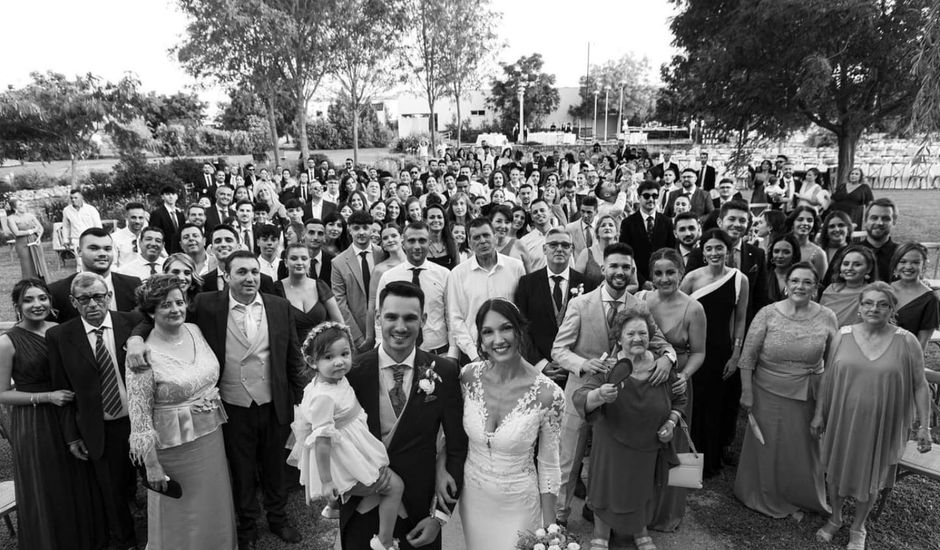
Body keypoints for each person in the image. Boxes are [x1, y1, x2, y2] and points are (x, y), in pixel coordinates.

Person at [126, 250, 309, 549]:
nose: (250, 278)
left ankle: (279, 518)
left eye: (254, 271)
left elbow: (291, 359)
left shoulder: (279, 306)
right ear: (226, 275)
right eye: (241, 272)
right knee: (241, 469)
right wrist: (135, 338)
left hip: (274, 402)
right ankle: (246, 525)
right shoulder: (207, 305)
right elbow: (159, 313)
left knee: (275, 466)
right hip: (232, 407)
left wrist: (300, 402)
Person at [552, 243, 677, 526]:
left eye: (625, 267)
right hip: (583, 392)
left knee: (607, 460)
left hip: (623, 401)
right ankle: (558, 518)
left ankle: (599, 514)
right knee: (569, 459)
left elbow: (659, 342)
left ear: (632, 270)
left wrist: (668, 358)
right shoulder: (580, 304)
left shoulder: (639, 306)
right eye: (614, 266)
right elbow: (559, 349)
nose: (620, 272)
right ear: (604, 268)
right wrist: (583, 364)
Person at [341, 282, 468, 550]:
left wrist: (440, 516)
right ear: (377, 317)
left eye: (410, 318)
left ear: (422, 320)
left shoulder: (443, 372)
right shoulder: (351, 372)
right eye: (391, 317)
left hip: (420, 513)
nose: (400, 327)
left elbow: (457, 446)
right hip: (362, 507)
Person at [812, 282, 932, 550]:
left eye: (882, 304)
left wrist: (925, 427)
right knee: (836, 469)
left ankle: (858, 526)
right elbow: (827, 376)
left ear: (892, 309)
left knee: (873, 473)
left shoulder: (907, 340)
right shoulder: (842, 335)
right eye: (867, 303)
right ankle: (836, 518)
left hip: (885, 422)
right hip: (842, 417)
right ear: (859, 306)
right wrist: (819, 413)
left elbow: (920, 384)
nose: (873, 308)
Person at [444, 298, 565, 549]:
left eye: (506, 328)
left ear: (520, 330)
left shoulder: (548, 395)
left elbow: (549, 466)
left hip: (519, 503)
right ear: (481, 340)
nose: (498, 339)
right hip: (474, 500)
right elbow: (451, 435)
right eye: (488, 332)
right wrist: (439, 469)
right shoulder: (468, 377)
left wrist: (550, 532)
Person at [126, 275, 237, 549]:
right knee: (180, 511)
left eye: (179, 302)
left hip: (211, 437)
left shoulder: (195, 331)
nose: (175, 309)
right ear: (151, 310)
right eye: (165, 305)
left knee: (213, 501)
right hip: (173, 450)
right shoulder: (141, 355)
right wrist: (152, 465)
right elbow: (139, 420)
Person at [0, 279, 106, 550]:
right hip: (35, 422)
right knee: (48, 485)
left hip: (68, 415)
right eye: (28, 300)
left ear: (51, 301)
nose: (37, 305)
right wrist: (47, 397)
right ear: (17, 306)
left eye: (42, 298)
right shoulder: (7, 342)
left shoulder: (60, 330)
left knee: (77, 479)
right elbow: (1, 394)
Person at [573, 304, 687, 550]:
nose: (637, 338)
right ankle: (601, 536)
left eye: (643, 333)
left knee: (641, 488)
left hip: (647, 444)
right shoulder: (608, 366)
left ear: (650, 336)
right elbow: (580, 397)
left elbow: (680, 400)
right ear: (619, 337)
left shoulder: (662, 366)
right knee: (606, 488)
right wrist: (600, 395)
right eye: (630, 334)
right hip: (611, 444)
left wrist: (671, 421)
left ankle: (640, 532)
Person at [47, 272, 143, 550]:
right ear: (73, 302)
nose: (93, 304)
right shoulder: (60, 336)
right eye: (84, 299)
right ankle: (127, 541)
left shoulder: (134, 323)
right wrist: (71, 436)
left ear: (109, 297)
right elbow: (62, 389)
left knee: (154, 480)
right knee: (112, 493)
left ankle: (165, 533)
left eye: (98, 297)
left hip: (140, 421)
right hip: (100, 427)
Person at [289, 322, 405, 550]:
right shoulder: (324, 396)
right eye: (329, 357)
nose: (339, 361)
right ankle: (384, 541)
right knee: (395, 487)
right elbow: (321, 442)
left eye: (344, 353)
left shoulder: (332, 380)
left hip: (351, 445)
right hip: (344, 456)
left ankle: (334, 504)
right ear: (313, 362)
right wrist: (327, 481)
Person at [735, 262, 836, 519]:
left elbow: (831, 366)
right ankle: (766, 494)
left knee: (801, 449)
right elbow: (748, 357)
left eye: (807, 282)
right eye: (795, 281)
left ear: (815, 287)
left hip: (806, 394)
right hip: (765, 391)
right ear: (786, 284)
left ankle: (798, 495)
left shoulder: (827, 316)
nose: (800, 286)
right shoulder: (767, 313)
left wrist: (821, 409)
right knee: (767, 446)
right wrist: (747, 391)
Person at [638, 248, 706, 531]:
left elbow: (700, 352)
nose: (664, 278)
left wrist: (684, 376)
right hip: (645, 380)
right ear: (651, 276)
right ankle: (641, 507)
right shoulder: (643, 301)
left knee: (674, 446)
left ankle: (668, 512)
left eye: (670, 272)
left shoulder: (694, 308)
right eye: (658, 273)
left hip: (676, 383)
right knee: (645, 444)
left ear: (681, 273)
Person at [680, 229, 749, 477]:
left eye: (719, 247)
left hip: (722, 353)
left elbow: (740, 319)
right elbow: (678, 311)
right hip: (693, 352)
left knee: (714, 409)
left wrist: (736, 353)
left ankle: (709, 465)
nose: (714, 253)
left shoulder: (740, 279)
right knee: (692, 408)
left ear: (728, 250)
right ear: (703, 251)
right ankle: (686, 469)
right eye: (708, 248)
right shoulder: (691, 279)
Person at [514, 229, 588, 389]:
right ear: (544, 249)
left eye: (565, 245)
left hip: (576, 373)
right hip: (538, 372)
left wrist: (572, 363)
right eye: (553, 244)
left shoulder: (586, 284)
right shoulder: (527, 284)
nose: (559, 249)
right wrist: (541, 364)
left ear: (572, 250)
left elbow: (589, 331)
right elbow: (521, 328)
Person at [446, 218, 526, 364]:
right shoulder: (458, 274)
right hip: (474, 355)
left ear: (495, 237)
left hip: (512, 351)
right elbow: (455, 318)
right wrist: (474, 355)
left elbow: (523, 311)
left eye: (486, 235)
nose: (482, 241)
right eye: (476, 237)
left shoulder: (516, 267)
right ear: (469, 243)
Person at [374, 222, 453, 356]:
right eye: (411, 241)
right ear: (403, 243)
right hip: (399, 352)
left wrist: (452, 354)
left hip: (438, 351)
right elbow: (380, 318)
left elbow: (451, 316)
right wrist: (381, 349)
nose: (417, 246)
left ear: (429, 243)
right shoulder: (389, 277)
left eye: (422, 241)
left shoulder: (444, 275)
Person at [48, 227, 142, 321]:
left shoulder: (133, 285)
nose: (102, 253)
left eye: (107, 249)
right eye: (94, 248)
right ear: (79, 251)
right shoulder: (57, 292)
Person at [332, 211, 381, 353]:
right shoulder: (338, 262)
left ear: (372, 229)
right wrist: (357, 337)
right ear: (349, 229)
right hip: (357, 332)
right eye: (356, 228)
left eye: (365, 228)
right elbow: (339, 301)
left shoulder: (383, 254)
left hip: (384, 327)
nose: (361, 232)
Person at [275, 243, 343, 342]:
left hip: (321, 351)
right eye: (294, 258)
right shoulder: (276, 289)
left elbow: (339, 323)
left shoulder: (320, 286)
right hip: (290, 352)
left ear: (309, 262)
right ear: (285, 262)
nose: (299, 262)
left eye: (304, 258)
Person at [620, 181, 676, 286]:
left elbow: (671, 251)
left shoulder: (667, 221)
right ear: (638, 197)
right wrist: (642, 282)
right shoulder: (627, 223)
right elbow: (626, 255)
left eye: (654, 196)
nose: (651, 199)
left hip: (663, 279)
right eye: (646, 196)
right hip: (637, 281)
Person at [889, 242, 940, 353]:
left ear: (924, 266)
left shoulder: (930, 300)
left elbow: (921, 344)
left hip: (904, 358)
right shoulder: (886, 289)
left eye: (915, 262)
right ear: (895, 264)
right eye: (903, 261)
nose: (908, 267)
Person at [820, 244, 878, 327]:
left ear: (869, 268)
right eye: (846, 264)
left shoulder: (873, 294)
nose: (849, 268)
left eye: (857, 264)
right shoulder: (830, 290)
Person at [6, 199, 49, 280]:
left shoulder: (30, 215)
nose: (24, 205)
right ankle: (30, 285)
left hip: (35, 242)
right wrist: (32, 231)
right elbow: (17, 233)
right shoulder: (10, 219)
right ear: (15, 208)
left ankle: (44, 283)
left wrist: (39, 238)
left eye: (23, 204)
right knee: (27, 266)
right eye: (20, 205)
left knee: (40, 263)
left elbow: (40, 228)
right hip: (23, 244)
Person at [859, 198, 899, 283]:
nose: (879, 223)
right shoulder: (847, 252)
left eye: (885, 219)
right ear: (865, 221)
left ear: (894, 222)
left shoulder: (902, 255)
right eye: (874, 218)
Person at [786, 206, 828, 279]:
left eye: (809, 220)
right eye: (800, 219)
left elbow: (821, 283)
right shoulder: (780, 246)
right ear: (792, 223)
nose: (805, 223)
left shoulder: (818, 254)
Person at [765, 233, 802, 303]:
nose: (780, 256)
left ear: (794, 254)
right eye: (776, 251)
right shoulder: (763, 276)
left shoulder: (801, 278)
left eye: (786, 252)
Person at [150, 185, 186, 254]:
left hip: (180, 251)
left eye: (173, 194)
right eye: (167, 194)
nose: (171, 196)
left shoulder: (180, 214)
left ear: (176, 196)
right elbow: (154, 233)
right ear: (162, 197)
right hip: (164, 251)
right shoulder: (157, 214)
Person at [112, 202, 149, 268]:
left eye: (140, 218)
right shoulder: (115, 238)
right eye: (133, 217)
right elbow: (112, 265)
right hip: (123, 276)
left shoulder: (149, 238)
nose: (137, 221)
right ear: (126, 217)